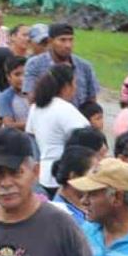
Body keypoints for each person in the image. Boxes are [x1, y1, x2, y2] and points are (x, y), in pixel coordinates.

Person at [27, 65, 91, 197]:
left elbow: (32, 140)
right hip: (65, 176)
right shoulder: (66, 109)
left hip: (43, 175)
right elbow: (87, 138)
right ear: (66, 86)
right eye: (74, 83)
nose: (75, 88)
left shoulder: (35, 108)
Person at [22, 23, 99, 108]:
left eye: (71, 40)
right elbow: (32, 99)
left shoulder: (85, 67)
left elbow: (92, 101)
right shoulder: (35, 64)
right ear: (50, 41)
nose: (68, 45)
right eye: (62, 40)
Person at [51, 145, 98, 227]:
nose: (97, 178)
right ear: (73, 177)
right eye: (93, 173)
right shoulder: (61, 215)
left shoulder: (88, 203)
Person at [0, 54, 29, 131]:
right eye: (17, 74)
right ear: (8, 77)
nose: (22, 78)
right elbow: (8, 125)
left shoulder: (37, 91)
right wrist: (33, 124)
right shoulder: (5, 97)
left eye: (26, 74)